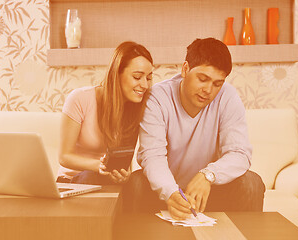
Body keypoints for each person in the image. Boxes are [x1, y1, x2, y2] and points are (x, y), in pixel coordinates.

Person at [124, 38, 265, 219]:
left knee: (251, 183)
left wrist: (208, 175)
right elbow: (152, 156)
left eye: (217, 84)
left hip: (208, 193)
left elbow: (239, 153)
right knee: (135, 183)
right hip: (167, 192)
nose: (208, 90)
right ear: (185, 69)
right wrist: (170, 192)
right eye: (203, 79)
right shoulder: (157, 98)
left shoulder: (228, 97)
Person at [57, 41, 153, 185]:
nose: (145, 85)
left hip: (106, 182)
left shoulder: (137, 109)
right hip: (72, 182)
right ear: (117, 74)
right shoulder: (80, 98)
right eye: (137, 77)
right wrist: (98, 166)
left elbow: (125, 162)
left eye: (149, 78)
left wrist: (123, 176)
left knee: (138, 182)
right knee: (90, 177)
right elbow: (64, 156)